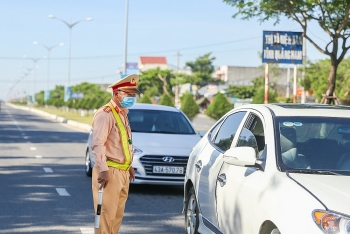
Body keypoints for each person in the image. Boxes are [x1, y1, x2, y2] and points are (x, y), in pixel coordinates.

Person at [91, 74, 139, 234]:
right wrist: (103, 169)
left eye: (133, 95)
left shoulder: (123, 113)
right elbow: (98, 144)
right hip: (109, 171)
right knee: (105, 217)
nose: (131, 97)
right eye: (128, 94)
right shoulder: (105, 114)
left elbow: (123, 144)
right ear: (116, 93)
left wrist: (129, 165)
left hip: (123, 172)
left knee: (116, 217)